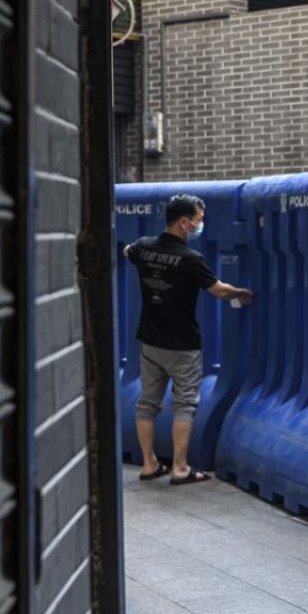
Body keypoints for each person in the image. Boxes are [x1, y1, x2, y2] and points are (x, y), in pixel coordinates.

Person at [123, 194, 253, 485]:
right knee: (184, 404)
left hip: (150, 341)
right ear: (184, 223)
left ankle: (149, 464)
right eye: (198, 219)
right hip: (182, 344)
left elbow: (127, 251)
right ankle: (180, 468)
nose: (200, 224)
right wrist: (241, 294)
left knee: (147, 404)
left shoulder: (144, 247)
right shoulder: (191, 259)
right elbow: (219, 290)